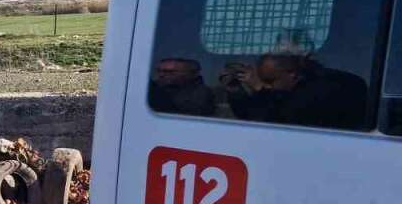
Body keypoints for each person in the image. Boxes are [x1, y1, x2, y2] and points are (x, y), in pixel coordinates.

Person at [221, 54, 371, 130]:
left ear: (292, 74)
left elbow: (280, 120)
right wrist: (236, 92)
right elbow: (251, 115)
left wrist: (260, 88)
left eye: (270, 81)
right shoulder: (281, 91)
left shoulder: (326, 88)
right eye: (263, 80)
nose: (268, 86)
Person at [149, 58, 217, 116]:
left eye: (169, 72)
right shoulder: (153, 88)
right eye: (159, 71)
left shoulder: (202, 94)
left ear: (189, 74)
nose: (161, 75)